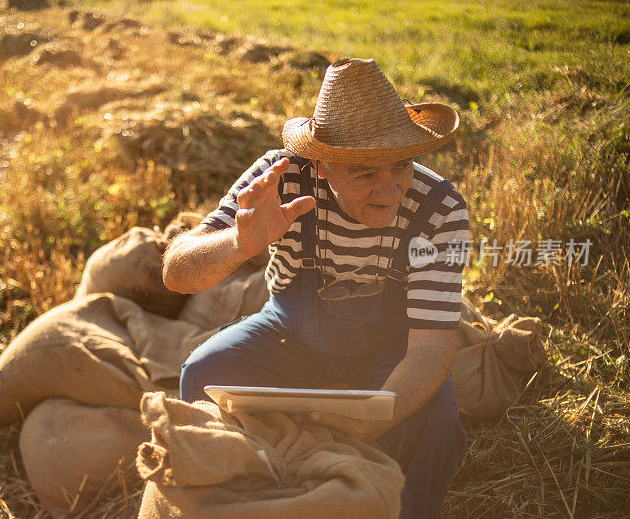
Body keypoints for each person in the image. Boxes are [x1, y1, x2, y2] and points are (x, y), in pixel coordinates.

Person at [163, 58, 469, 519]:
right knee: (204, 373)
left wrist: (376, 418)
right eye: (365, 173)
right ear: (322, 165)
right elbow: (177, 274)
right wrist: (240, 242)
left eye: (401, 165)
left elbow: (431, 345)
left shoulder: (440, 208)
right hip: (287, 335)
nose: (388, 191)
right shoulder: (279, 179)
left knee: (437, 422)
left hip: (395, 349)